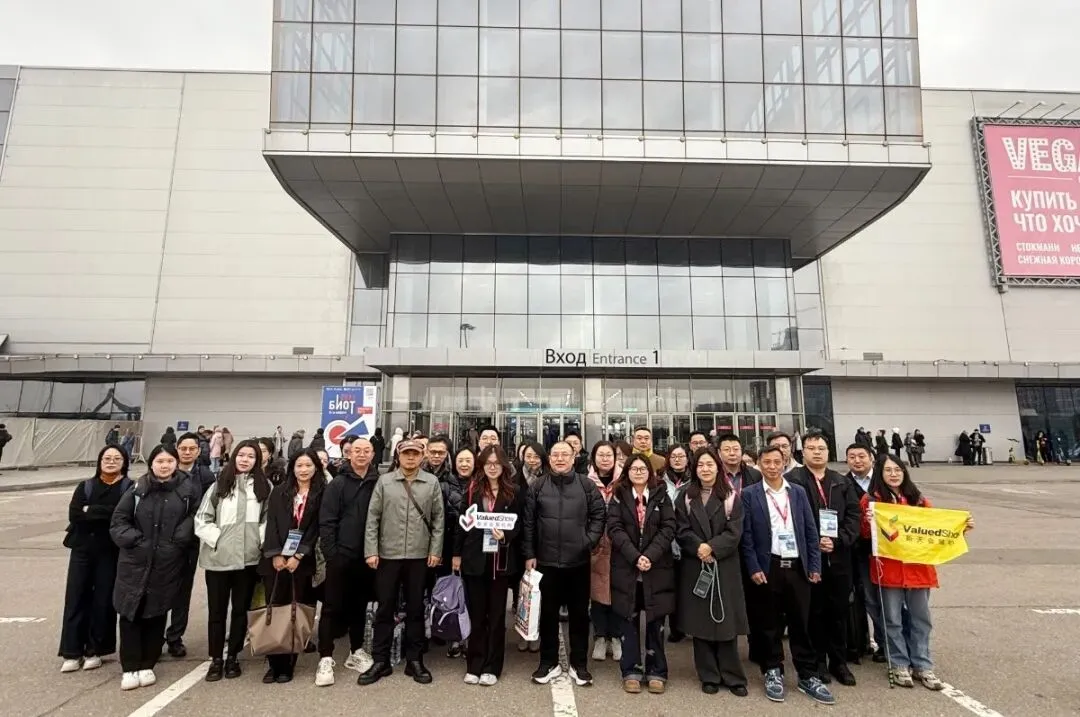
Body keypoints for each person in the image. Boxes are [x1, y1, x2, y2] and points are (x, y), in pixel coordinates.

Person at [860, 455, 975, 689]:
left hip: (918, 570)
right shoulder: (872, 501)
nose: (893, 474)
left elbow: (937, 530)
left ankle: (922, 664)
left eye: (898, 469)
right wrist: (866, 520)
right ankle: (898, 663)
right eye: (888, 470)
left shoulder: (919, 501)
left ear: (904, 472)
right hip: (889, 570)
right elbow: (864, 535)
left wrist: (960, 528)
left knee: (921, 620)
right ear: (880, 473)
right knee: (892, 620)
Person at [741, 446, 833, 705]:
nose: (772, 466)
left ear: (785, 463)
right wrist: (753, 567)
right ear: (759, 465)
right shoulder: (749, 494)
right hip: (767, 566)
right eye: (766, 462)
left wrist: (814, 565)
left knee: (801, 622)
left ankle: (807, 674)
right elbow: (746, 537)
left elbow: (810, 530)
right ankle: (773, 669)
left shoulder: (798, 492)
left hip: (797, 566)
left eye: (776, 462)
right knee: (768, 623)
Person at [110, 444, 199, 691]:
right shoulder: (137, 489)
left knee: (157, 611)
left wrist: (178, 540)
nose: (165, 465)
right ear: (151, 464)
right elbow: (119, 522)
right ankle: (130, 666)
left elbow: (195, 517)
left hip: (168, 560)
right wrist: (136, 541)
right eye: (160, 461)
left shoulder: (187, 490)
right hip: (135, 560)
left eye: (169, 461)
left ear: (176, 463)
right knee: (131, 611)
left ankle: (148, 662)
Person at [360, 439, 445, 686]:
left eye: (415, 454)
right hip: (388, 554)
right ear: (398, 456)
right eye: (406, 453)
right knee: (385, 608)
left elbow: (438, 520)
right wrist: (371, 551)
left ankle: (414, 659)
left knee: (416, 608)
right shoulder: (385, 482)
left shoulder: (431, 482)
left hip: (419, 555)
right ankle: (381, 660)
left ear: (422, 457)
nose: (410, 458)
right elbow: (373, 518)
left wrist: (435, 550)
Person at [523, 441, 606, 687]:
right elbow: (528, 523)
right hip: (546, 561)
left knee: (579, 615)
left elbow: (599, 515)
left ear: (573, 458)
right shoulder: (538, 486)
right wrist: (530, 553)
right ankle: (548, 663)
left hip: (578, 561)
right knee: (547, 615)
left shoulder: (586, 485)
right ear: (549, 459)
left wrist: (588, 541)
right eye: (555, 455)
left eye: (565, 455)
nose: (560, 459)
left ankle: (579, 664)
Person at [786, 431, 861, 687]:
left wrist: (838, 540)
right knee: (813, 612)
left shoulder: (841, 481)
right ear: (802, 452)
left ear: (828, 452)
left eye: (821, 448)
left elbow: (853, 516)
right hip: (809, 557)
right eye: (811, 448)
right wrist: (813, 541)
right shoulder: (793, 480)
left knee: (838, 611)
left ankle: (838, 661)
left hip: (838, 557)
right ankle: (817, 661)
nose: (816, 452)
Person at [195, 440, 271, 682]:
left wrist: (259, 542)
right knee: (216, 612)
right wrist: (217, 540)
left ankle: (233, 657)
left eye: (251, 456)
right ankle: (216, 658)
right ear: (234, 456)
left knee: (240, 611)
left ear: (257, 460)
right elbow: (202, 518)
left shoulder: (264, 486)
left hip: (248, 560)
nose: (245, 459)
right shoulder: (219, 484)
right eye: (241, 455)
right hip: (219, 560)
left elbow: (267, 520)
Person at [675, 446, 748, 697]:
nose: (705, 469)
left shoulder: (730, 496)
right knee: (701, 621)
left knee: (725, 621)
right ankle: (708, 674)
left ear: (718, 467)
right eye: (700, 465)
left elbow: (735, 532)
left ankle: (732, 675)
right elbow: (681, 529)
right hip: (696, 563)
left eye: (709, 464)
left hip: (724, 564)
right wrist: (699, 547)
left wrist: (712, 547)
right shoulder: (685, 496)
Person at [452, 445, 525, 686]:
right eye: (487, 463)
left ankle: (492, 666)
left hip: (500, 562)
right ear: (481, 466)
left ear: (503, 465)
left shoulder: (513, 491)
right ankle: (474, 664)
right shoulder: (472, 490)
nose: (492, 467)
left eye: (496, 463)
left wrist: (506, 535)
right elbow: (462, 524)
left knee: (496, 616)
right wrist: (456, 554)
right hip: (475, 559)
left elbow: (520, 524)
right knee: (477, 614)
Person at [608, 454, 677, 694]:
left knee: (656, 621)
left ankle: (657, 670)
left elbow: (669, 527)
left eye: (642, 468)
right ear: (627, 472)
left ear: (650, 472)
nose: (638, 472)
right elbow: (614, 528)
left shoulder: (661, 495)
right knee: (628, 619)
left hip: (656, 567)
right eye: (634, 469)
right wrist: (635, 557)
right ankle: (631, 670)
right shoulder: (618, 496)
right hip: (627, 567)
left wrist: (649, 555)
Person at [58, 446, 130, 673]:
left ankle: (95, 650)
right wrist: (105, 512)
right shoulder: (86, 486)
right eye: (107, 458)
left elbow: (122, 515)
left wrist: (92, 510)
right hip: (82, 549)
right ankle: (71, 651)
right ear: (99, 461)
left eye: (117, 458)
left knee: (103, 599)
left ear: (124, 462)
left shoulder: (129, 487)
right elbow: (75, 514)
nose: (111, 461)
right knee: (76, 597)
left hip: (111, 551)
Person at [315, 437, 378, 686]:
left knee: (359, 606)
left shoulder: (378, 483)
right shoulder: (337, 484)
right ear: (349, 454)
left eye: (366, 450)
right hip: (340, 555)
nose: (361, 454)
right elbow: (327, 521)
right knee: (332, 607)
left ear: (373, 454)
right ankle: (325, 657)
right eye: (357, 450)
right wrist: (332, 554)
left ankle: (356, 650)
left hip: (367, 556)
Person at [259, 448, 325, 683]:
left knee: (296, 610)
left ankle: (288, 663)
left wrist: (299, 555)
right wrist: (276, 554)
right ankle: (273, 663)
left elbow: (316, 527)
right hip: (276, 561)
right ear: (292, 468)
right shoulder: (280, 492)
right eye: (299, 465)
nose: (303, 470)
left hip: (302, 562)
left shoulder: (322, 493)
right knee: (275, 609)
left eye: (308, 465)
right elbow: (271, 524)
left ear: (316, 468)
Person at [164, 432, 214, 658]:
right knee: (159, 589)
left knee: (182, 591)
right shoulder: (166, 469)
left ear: (198, 451)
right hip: (161, 540)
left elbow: (207, 507)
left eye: (191, 449)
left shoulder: (205, 476)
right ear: (177, 449)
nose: (187, 452)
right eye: (183, 448)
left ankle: (175, 636)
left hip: (188, 542)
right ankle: (154, 636)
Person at [715, 433, 763, 662]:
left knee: (755, 598)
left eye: (735, 449)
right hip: (725, 541)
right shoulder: (714, 476)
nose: (732, 453)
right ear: (719, 453)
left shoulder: (754, 475)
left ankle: (757, 647)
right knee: (728, 596)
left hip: (752, 540)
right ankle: (727, 650)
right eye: (727, 449)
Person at [426, 435, 465, 657]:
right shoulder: (417, 473)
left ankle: (444, 627)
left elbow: (458, 510)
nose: (436, 456)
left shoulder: (452, 479)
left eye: (441, 452)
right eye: (433, 451)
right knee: (421, 586)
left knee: (444, 586)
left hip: (446, 538)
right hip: (420, 539)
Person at [844, 443, 884, 663]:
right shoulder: (842, 483)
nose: (857, 461)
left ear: (871, 458)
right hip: (858, 550)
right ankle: (867, 642)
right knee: (866, 598)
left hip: (886, 551)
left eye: (861, 456)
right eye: (852, 457)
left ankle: (888, 643)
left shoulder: (884, 480)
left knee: (888, 600)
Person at [586, 441, 621, 663]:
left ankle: (616, 636)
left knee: (617, 591)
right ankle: (600, 636)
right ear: (594, 458)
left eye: (609, 455)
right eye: (601, 455)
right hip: (596, 545)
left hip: (619, 545)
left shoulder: (624, 480)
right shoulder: (586, 482)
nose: (605, 459)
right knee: (597, 592)